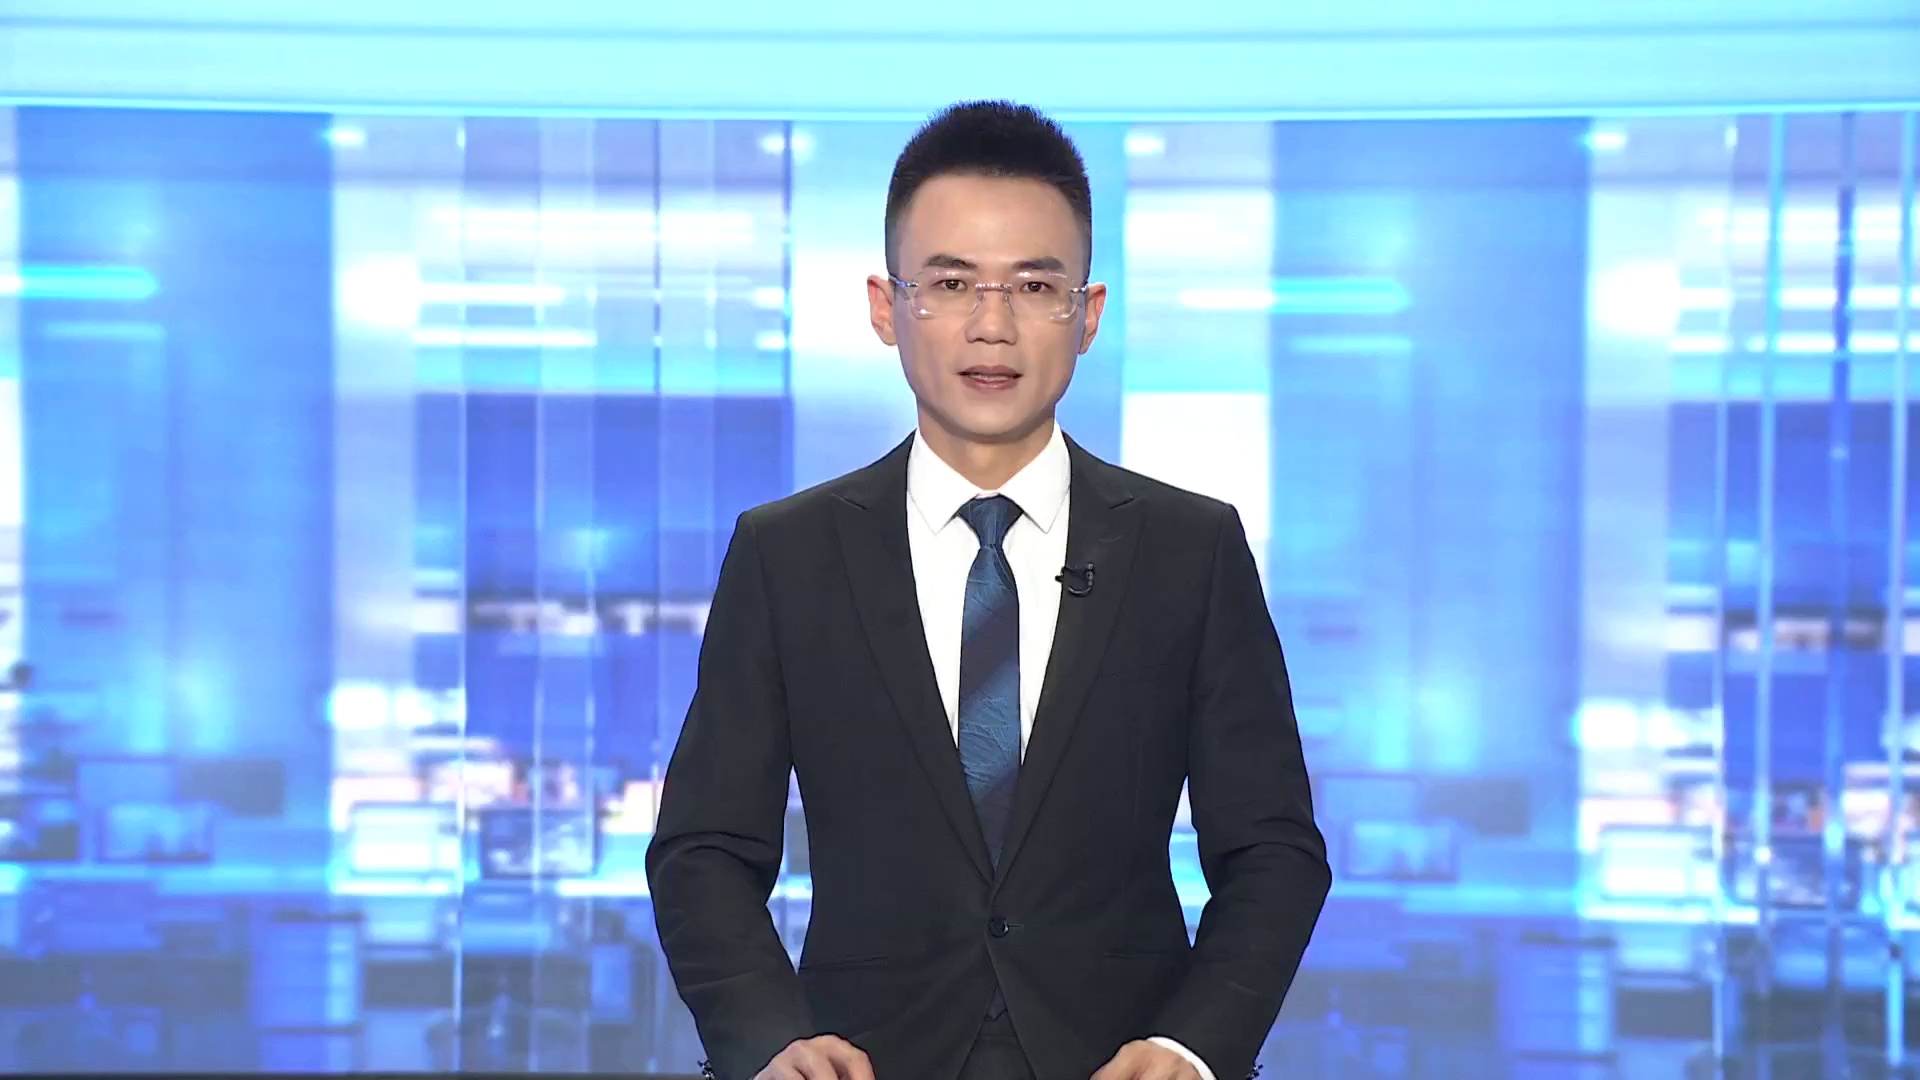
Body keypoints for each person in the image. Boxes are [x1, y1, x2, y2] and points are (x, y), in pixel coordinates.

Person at [647, 100, 1329, 1080]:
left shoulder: (1190, 549)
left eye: (1034, 286)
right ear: (887, 308)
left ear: (1086, 315)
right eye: (952, 283)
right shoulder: (787, 554)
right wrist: (768, 1038)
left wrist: (1191, 1045)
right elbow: (704, 847)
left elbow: (1273, 850)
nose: (992, 325)